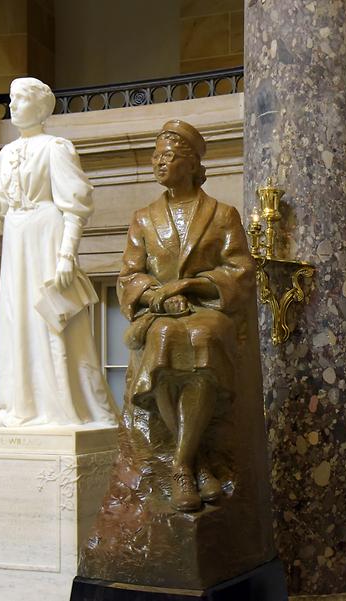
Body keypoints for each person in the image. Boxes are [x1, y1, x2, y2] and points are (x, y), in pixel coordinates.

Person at [118, 120, 256, 510]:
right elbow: (129, 275)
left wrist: (192, 286)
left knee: (205, 338)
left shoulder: (222, 214)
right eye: (155, 155)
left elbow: (241, 270)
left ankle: (180, 461)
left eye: (169, 156)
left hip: (207, 309)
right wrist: (159, 296)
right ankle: (192, 465)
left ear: (193, 163)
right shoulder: (143, 218)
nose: (158, 163)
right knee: (163, 338)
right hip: (160, 313)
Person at [0, 77, 117, 427]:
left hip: (46, 234)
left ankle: (59, 405)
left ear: (40, 107)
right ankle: (22, 404)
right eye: (11, 99)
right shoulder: (6, 153)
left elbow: (74, 204)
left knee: (50, 318)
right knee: (17, 317)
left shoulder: (55, 147)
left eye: (20, 100)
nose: (12, 106)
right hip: (16, 236)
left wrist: (66, 254)